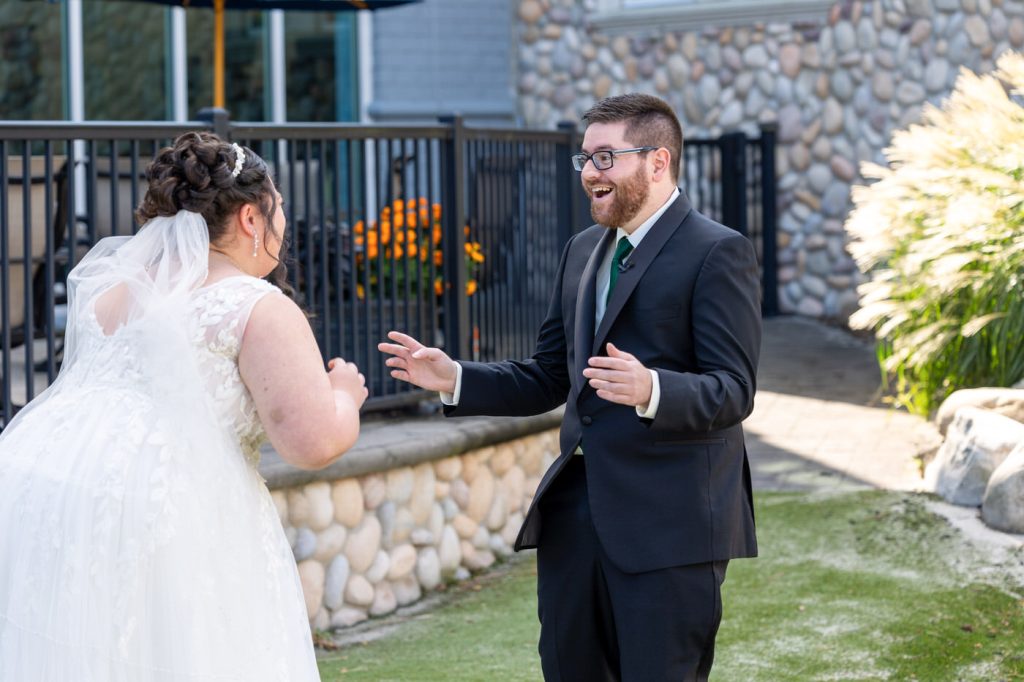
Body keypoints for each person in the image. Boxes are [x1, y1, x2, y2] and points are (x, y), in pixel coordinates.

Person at [379, 93, 761, 681]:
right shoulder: (582, 251)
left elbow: (734, 389)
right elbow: (548, 375)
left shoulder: (717, 251)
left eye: (606, 158)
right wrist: (455, 377)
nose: (589, 174)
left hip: (671, 524)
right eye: (585, 159)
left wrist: (652, 389)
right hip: (577, 519)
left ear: (657, 162)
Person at [0, 132, 366, 681]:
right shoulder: (255, 305)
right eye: (279, 209)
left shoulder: (112, 290)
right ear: (250, 218)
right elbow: (310, 443)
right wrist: (345, 396)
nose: (282, 224)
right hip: (166, 507)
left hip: (43, 479)